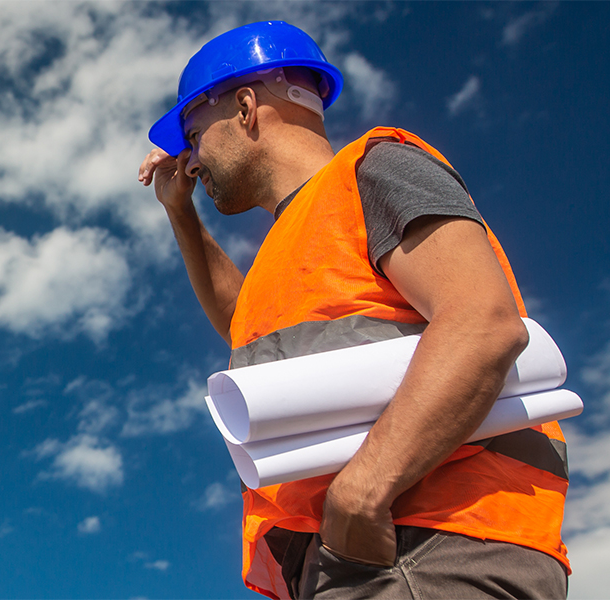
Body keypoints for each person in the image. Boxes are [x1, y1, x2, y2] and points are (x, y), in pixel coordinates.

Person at [138, 21, 570, 600]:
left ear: (244, 108)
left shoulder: (373, 168)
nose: (190, 160)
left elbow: (481, 322)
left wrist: (361, 494)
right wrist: (180, 215)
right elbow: (246, 321)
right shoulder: (291, 244)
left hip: (426, 545)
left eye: (194, 134)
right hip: (358, 553)